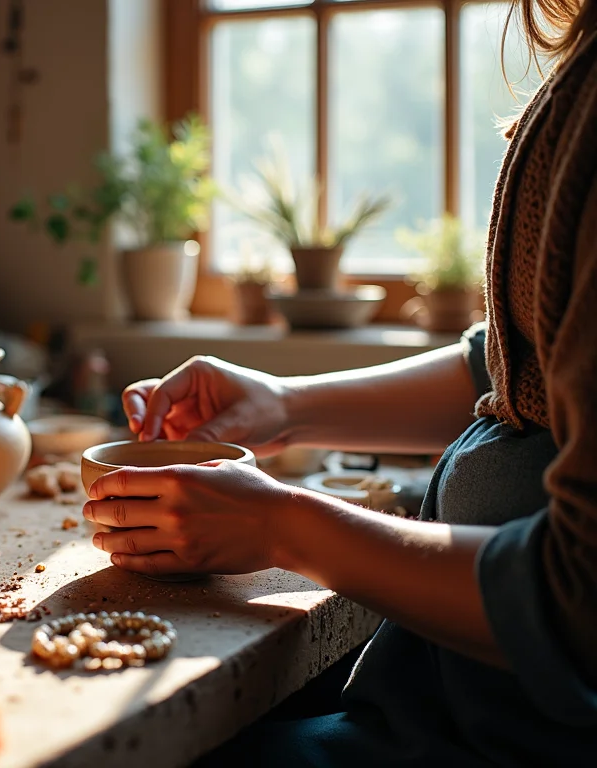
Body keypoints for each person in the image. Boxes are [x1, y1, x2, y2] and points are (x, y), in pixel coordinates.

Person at [81, 1, 597, 765]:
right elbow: (513, 364)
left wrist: (280, 526)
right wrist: (283, 405)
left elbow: (578, 598)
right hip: (450, 703)